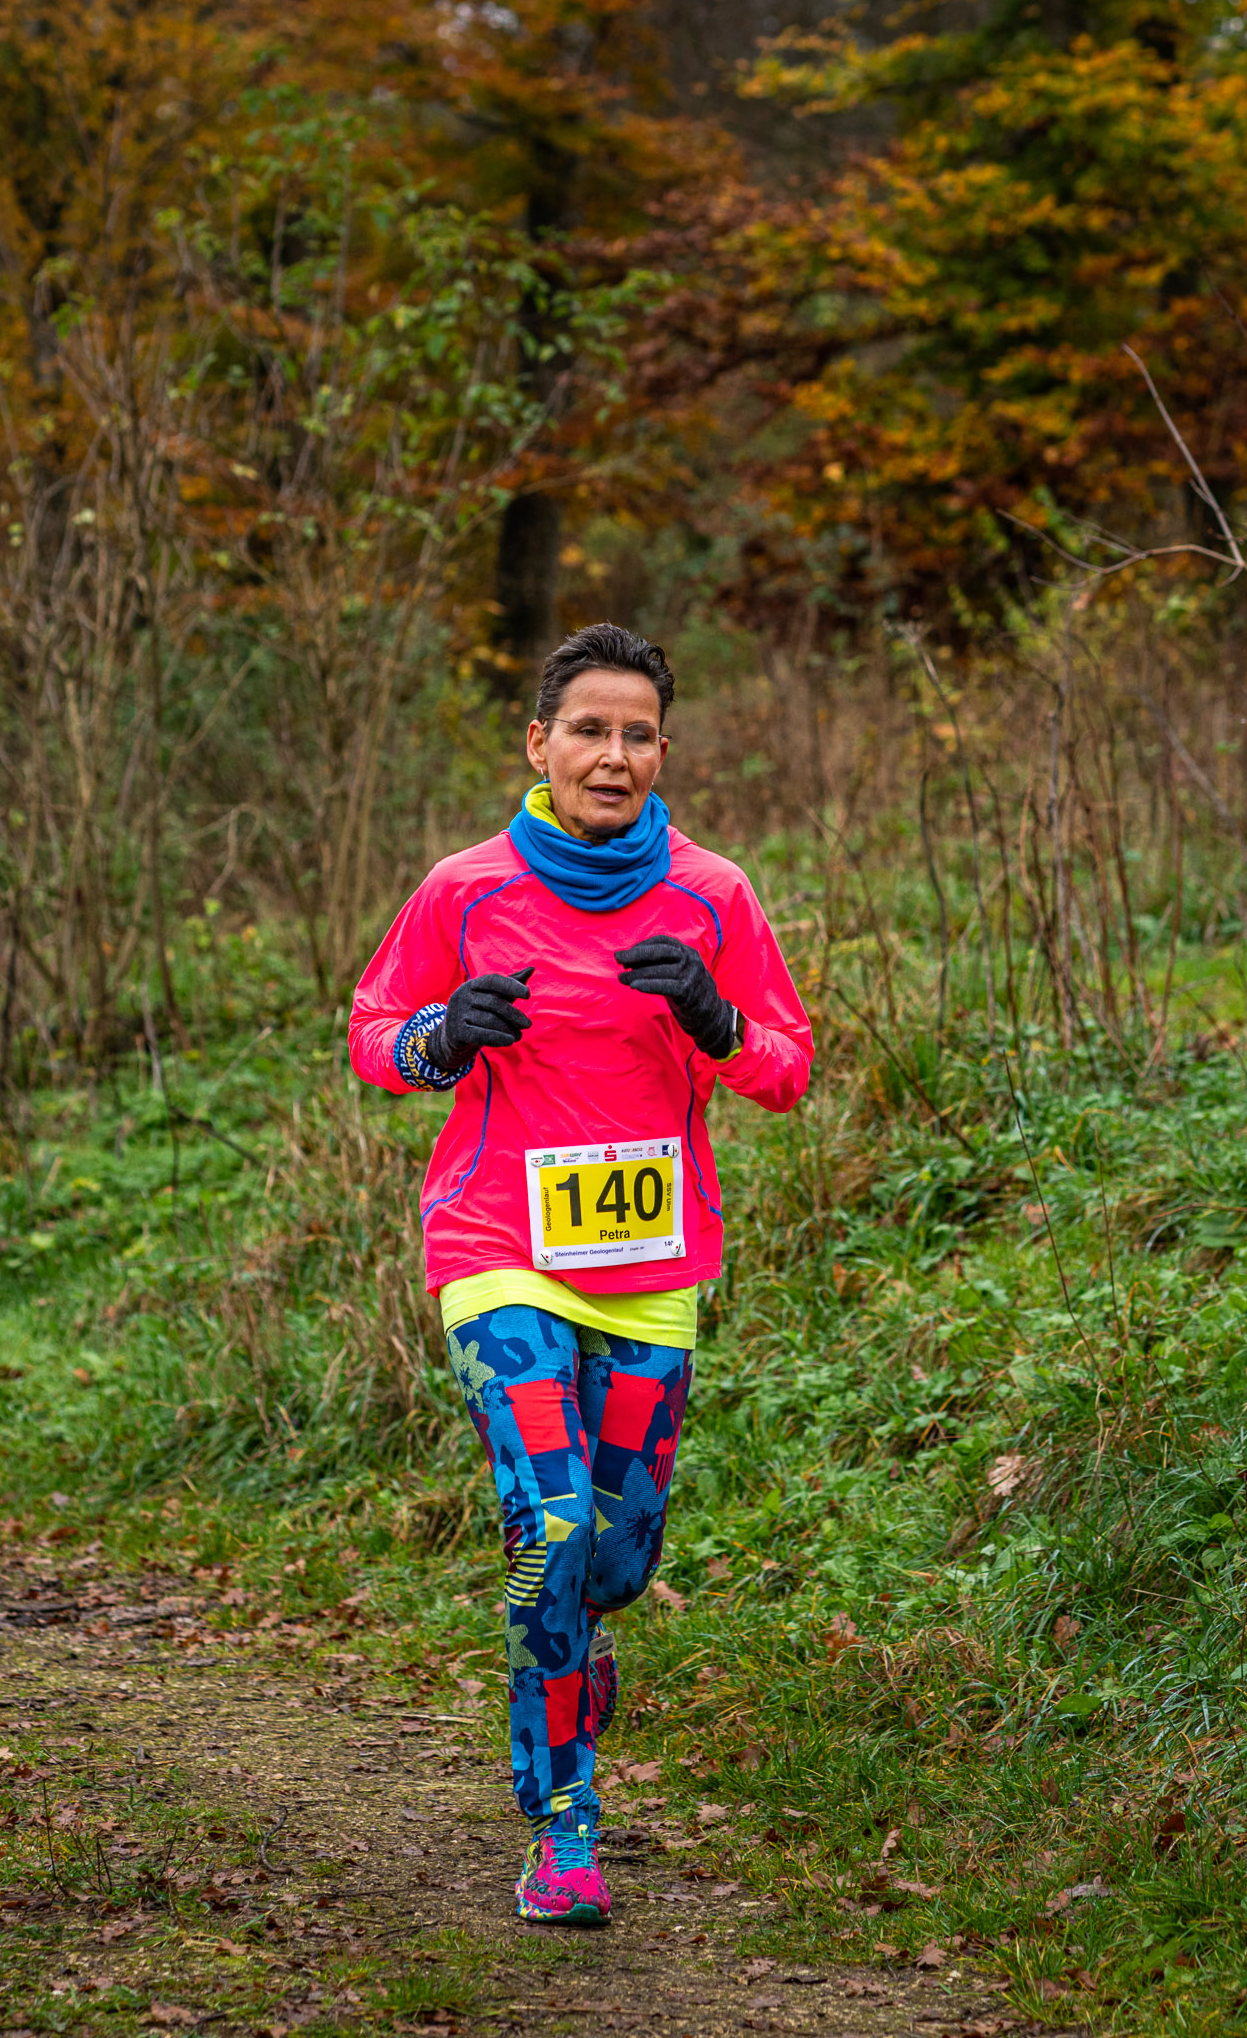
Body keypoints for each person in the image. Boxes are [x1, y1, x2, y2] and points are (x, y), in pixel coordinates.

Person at [348, 623, 814, 1926]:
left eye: (637, 734)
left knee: (610, 1559)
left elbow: (786, 1066)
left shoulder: (713, 895)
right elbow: (373, 1036)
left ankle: (579, 1640)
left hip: (652, 1266)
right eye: (589, 730)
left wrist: (716, 1021)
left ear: (664, 751)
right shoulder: (464, 889)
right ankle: (562, 1824)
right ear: (538, 743)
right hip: (497, 1245)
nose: (613, 755)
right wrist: (442, 1035)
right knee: (546, 1529)